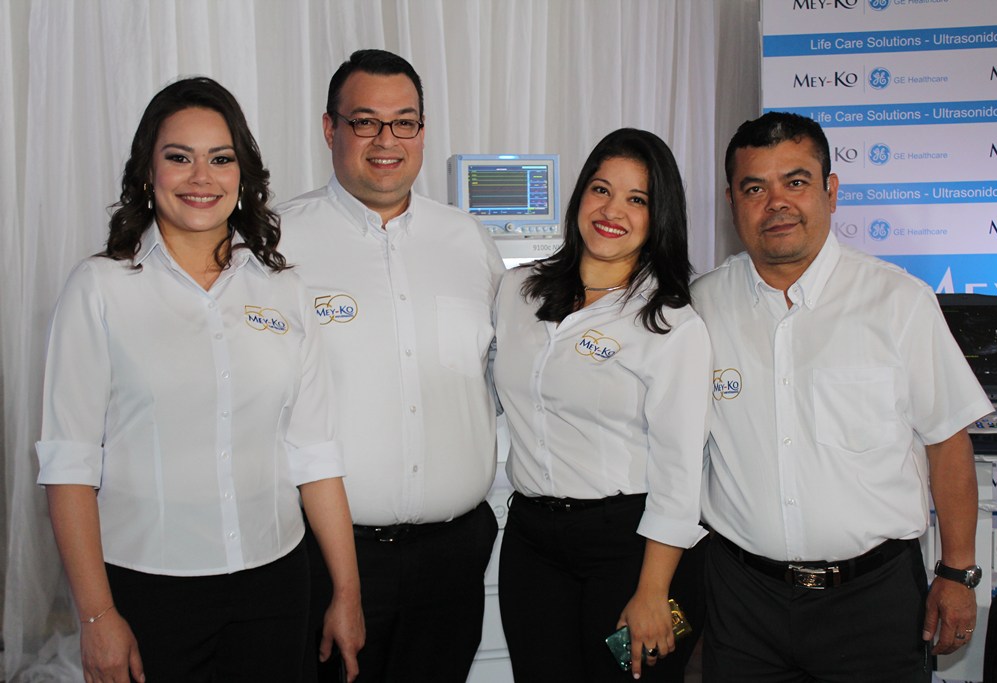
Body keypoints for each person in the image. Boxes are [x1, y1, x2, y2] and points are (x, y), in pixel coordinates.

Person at [36, 77, 364, 683]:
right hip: (146, 592)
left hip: (276, 585)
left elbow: (314, 454)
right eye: (179, 157)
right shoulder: (98, 289)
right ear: (148, 171)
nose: (201, 177)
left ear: (242, 175)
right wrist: (96, 615)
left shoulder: (284, 289)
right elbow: (69, 466)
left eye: (220, 158)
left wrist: (346, 592)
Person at [690, 111, 992, 682]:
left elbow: (948, 443)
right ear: (731, 202)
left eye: (796, 182)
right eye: (755, 188)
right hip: (742, 601)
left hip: (873, 601)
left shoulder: (898, 302)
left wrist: (958, 574)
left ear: (830, 191)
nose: (776, 203)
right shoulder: (699, 307)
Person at [276, 49, 505, 682]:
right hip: (326, 558)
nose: (386, 140)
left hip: (453, 557)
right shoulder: (276, 245)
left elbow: (502, 374)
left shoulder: (468, 241)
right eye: (365, 122)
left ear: (422, 132)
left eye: (404, 122)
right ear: (330, 129)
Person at [493, 128, 712, 682]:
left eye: (637, 199)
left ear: (659, 217)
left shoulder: (671, 324)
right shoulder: (518, 292)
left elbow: (680, 469)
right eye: (601, 189)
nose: (612, 211)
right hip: (533, 544)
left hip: (633, 549)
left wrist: (654, 590)